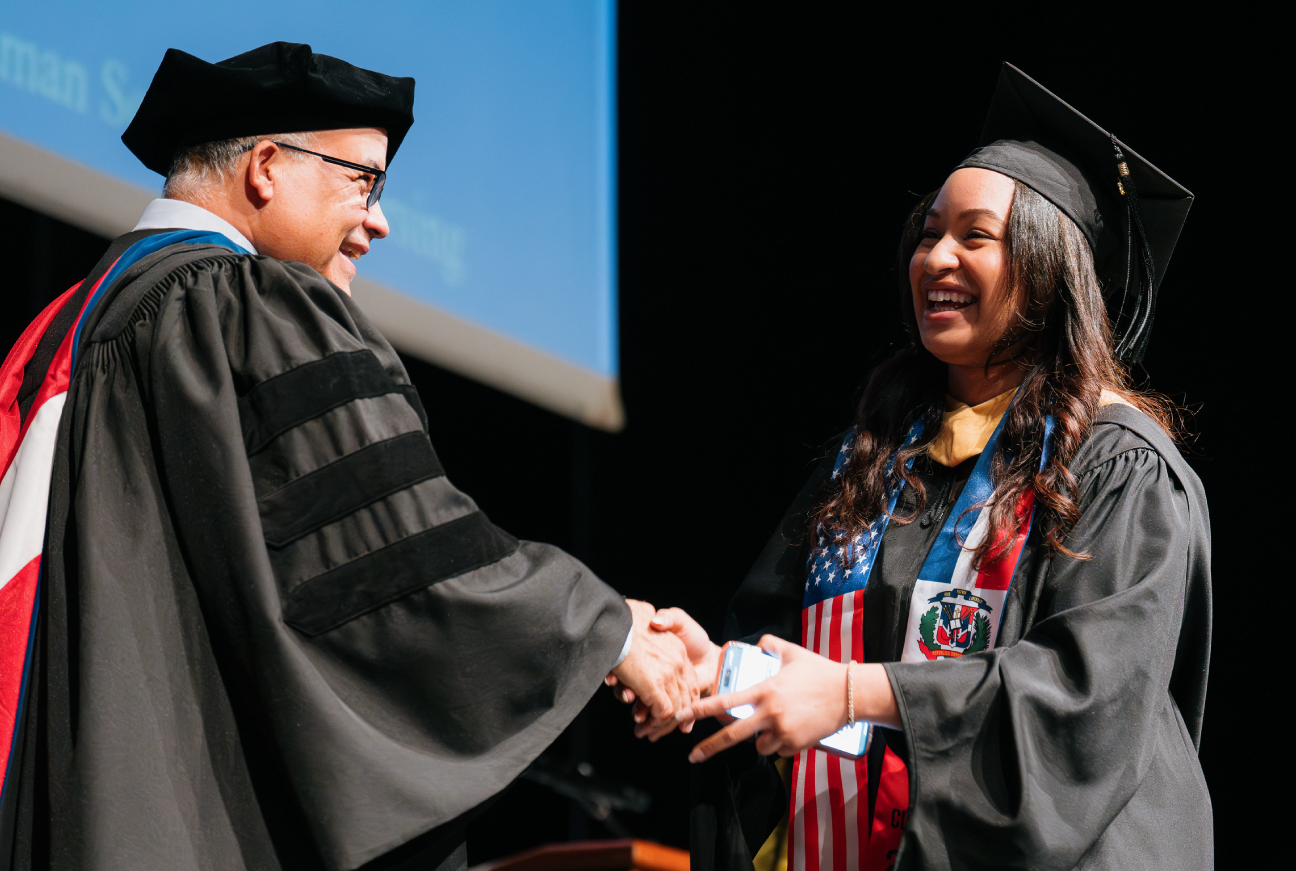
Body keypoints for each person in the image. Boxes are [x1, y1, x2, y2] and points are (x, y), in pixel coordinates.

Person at [0, 43, 693, 871]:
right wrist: (604, 628)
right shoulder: (247, 305)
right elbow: (395, 558)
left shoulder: (54, 338)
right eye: (365, 181)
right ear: (265, 168)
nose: (379, 221)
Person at [660, 64, 1211, 869]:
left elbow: (1083, 702)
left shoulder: (1117, 465)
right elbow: (790, 652)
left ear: (1049, 269)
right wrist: (721, 670)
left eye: (974, 236)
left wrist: (853, 694)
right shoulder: (874, 462)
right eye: (928, 233)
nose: (936, 257)